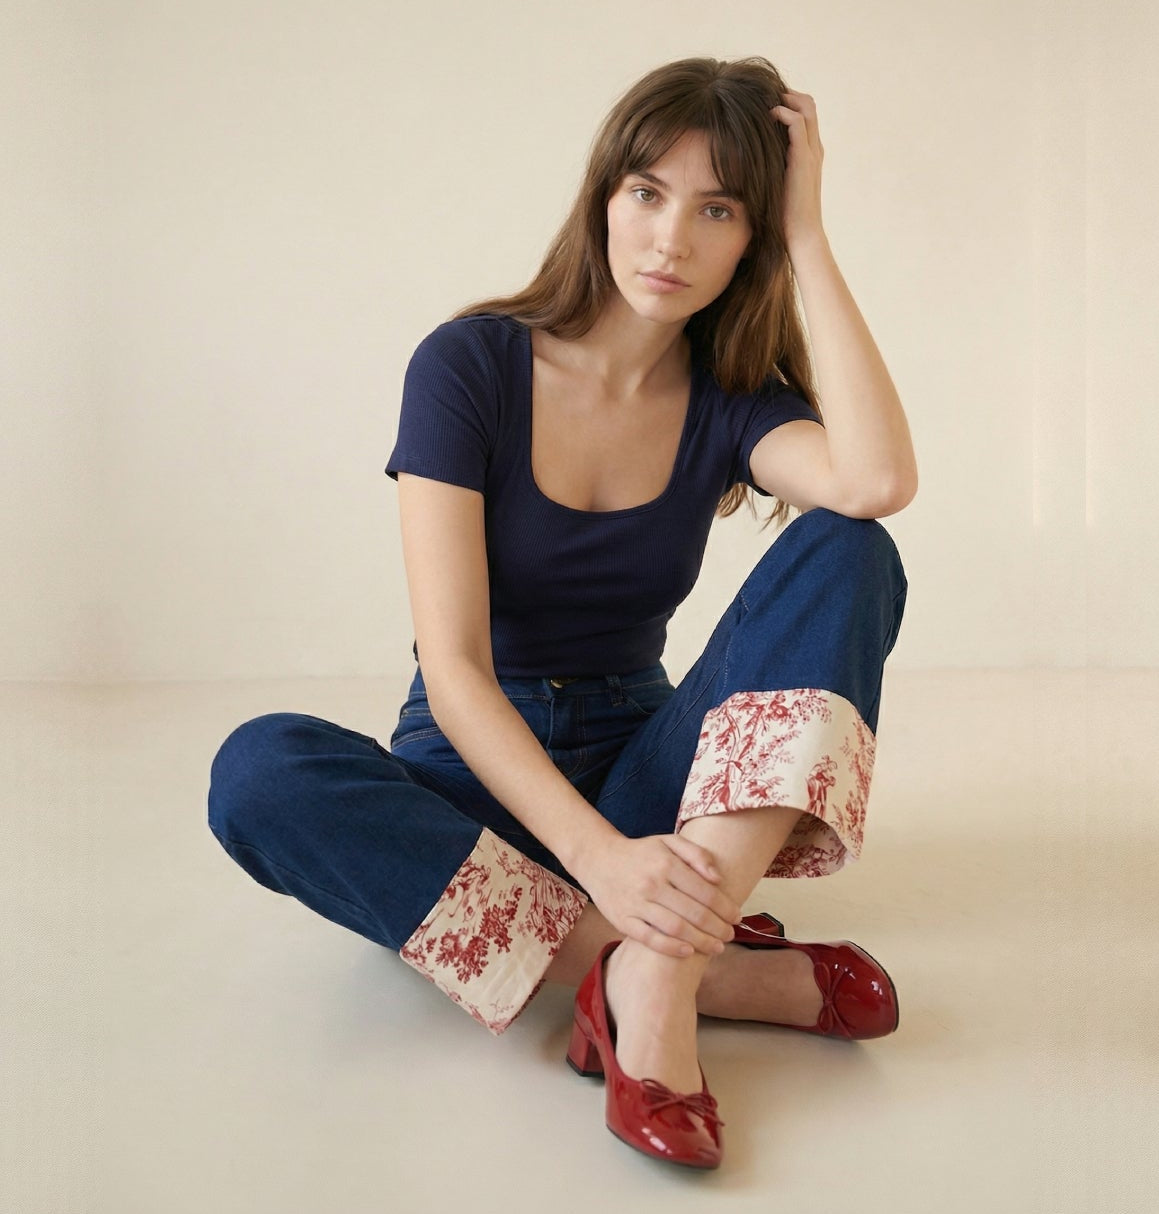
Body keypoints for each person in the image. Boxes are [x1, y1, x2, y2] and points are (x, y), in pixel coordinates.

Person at [207, 55, 916, 1170]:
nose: (671, 238)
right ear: (601, 198)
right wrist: (602, 860)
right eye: (646, 191)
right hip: (469, 777)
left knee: (849, 548)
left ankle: (650, 975)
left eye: (719, 208)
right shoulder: (469, 366)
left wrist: (813, 236)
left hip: (644, 762)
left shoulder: (732, 401)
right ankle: (694, 961)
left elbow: (873, 483)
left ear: (752, 238)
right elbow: (453, 666)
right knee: (257, 771)